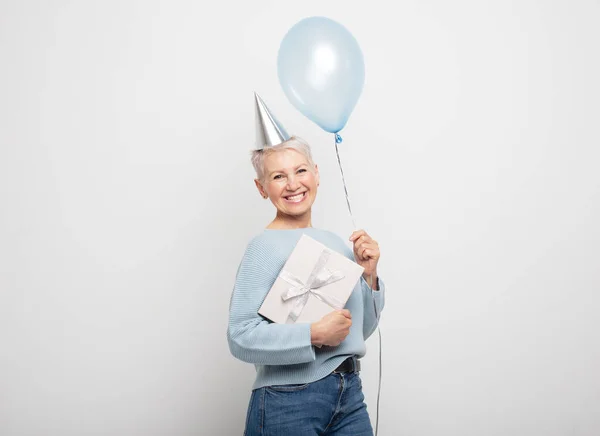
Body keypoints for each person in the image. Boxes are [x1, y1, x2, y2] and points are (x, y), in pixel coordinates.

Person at [227, 93, 385, 435]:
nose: (294, 183)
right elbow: (240, 337)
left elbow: (358, 330)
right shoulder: (262, 248)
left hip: (348, 393)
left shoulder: (334, 244)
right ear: (261, 187)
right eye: (279, 176)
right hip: (287, 400)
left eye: (300, 171)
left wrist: (369, 276)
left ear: (316, 173)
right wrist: (312, 334)